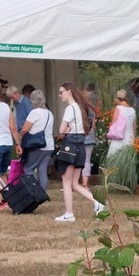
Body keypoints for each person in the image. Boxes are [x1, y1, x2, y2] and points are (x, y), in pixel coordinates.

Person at [54, 82, 105, 223]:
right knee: (75, 183)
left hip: (70, 146)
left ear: (69, 91)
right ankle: (97, 203)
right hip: (81, 146)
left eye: (61, 92)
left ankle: (69, 213)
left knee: (66, 181)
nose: (60, 95)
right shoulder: (81, 107)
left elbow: (61, 129)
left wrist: (66, 130)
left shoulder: (70, 108)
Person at [18, 89, 54, 192]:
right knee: (42, 169)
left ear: (32, 100)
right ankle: (42, 192)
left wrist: (20, 137)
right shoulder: (49, 113)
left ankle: (33, 191)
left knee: (28, 168)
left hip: (37, 146)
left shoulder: (34, 113)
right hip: (49, 145)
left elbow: (25, 129)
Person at [81, 82, 103, 189]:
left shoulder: (80, 110)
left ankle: (75, 182)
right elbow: (93, 126)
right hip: (90, 138)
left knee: (77, 161)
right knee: (87, 160)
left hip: (80, 138)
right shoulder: (92, 111)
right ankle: (85, 183)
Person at [105, 90, 136, 158]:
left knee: (114, 158)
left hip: (118, 137)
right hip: (130, 138)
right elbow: (134, 128)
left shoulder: (118, 108)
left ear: (118, 98)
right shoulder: (133, 110)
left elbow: (113, 123)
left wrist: (109, 136)